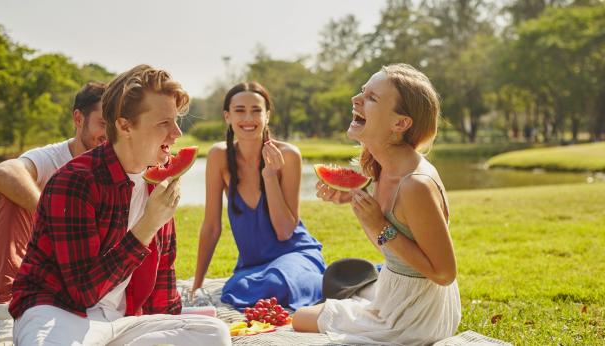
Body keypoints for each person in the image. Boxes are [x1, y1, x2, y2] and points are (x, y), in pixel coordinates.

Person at [9, 65, 230, 345]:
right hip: (58, 311)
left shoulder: (157, 183)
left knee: (212, 333)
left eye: (176, 122)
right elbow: (82, 292)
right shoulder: (75, 181)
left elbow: (163, 278)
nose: (176, 134)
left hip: (121, 321)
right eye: (164, 123)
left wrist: (172, 325)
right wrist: (147, 224)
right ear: (125, 125)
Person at [293, 64, 461, 345]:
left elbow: (444, 273)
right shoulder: (381, 169)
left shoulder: (415, 185)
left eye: (372, 98)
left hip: (418, 316)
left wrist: (381, 225)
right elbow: (392, 252)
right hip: (396, 291)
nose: (355, 100)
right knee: (317, 309)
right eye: (362, 92)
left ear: (400, 123)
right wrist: (357, 204)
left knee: (302, 318)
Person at [0, 82, 107, 344]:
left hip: (92, 276)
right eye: (102, 124)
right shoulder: (52, 157)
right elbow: (3, 172)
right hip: (44, 267)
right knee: (10, 194)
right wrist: (51, 216)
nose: (108, 135)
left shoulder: (119, 161)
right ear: (78, 118)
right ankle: (4, 311)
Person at [190, 82, 326, 310]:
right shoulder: (219, 156)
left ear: (267, 116)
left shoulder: (288, 156)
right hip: (252, 266)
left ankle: (318, 279)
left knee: (277, 282)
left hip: (295, 254)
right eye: (240, 110)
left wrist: (270, 176)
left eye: (256, 110)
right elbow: (212, 226)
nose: (248, 118)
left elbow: (284, 232)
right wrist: (197, 285)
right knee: (237, 287)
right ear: (227, 116)